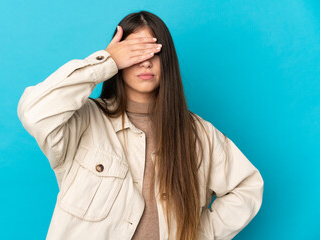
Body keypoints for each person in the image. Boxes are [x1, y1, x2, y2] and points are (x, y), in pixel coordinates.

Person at [17, 10, 264, 240]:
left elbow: (247, 187)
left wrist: (198, 234)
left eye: (154, 51)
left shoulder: (197, 133)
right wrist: (106, 62)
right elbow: (34, 112)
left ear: (167, 60)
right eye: (135, 52)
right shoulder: (83, 122)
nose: (146, 62)